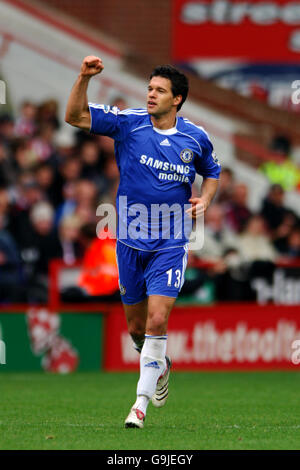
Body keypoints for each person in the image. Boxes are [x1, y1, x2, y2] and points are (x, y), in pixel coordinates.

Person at [65, 56, 220, 428]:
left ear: (177, 99)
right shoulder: (129, 124)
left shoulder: (195, 137)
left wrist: (207, 198)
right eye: (150, 88)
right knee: (137, 328)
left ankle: (139, 405)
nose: (151, 95)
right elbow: (75, 116)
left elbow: (212, 171)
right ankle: (161, 365)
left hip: (171, 241)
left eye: (160, 91)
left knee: (156, 319)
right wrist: (84, 77)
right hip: (130, 243)